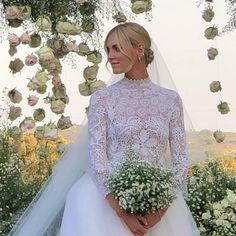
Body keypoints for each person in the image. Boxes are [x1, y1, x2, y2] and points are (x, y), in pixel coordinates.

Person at [59, 22, 200, 236]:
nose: (110, 56)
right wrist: (122, 213)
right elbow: (97, 158)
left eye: (116, 48)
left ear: (140, 49)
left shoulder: (170, 100)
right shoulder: (103, 99)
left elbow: (180, 162)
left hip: (161, 206)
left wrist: (159, 212)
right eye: (108, 50)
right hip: (103, 206)